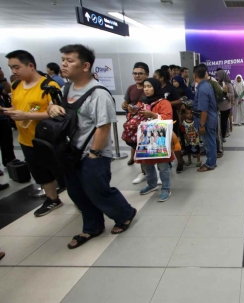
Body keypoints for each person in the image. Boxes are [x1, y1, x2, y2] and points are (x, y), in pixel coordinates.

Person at [47, 44, 136, 249]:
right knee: (77, 192)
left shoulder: (98, 94)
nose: (64, 64)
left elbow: (103, 127)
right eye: (63, 60)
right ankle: (92, 226)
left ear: (85, 65)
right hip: (70, 152)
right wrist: (52, 107)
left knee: (97, 190)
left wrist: (95, 154)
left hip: (93, 152)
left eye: (70, 61)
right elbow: (57, 112)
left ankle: (125, 214)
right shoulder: (65, 89)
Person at [4, 50, 64, 217]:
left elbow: (59, 113)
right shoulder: (16, 86)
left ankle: (81, 200)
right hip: (26, 139)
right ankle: (52, 199)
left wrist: (27, 116)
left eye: (17, 67)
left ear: (30, 65)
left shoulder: (49, 86)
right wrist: (8, 111)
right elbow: (18, 107)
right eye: (11, 68)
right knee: (39, 172)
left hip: (48, 139)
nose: (14, 72)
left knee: (62, 172)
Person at [133, 78, 173, 202]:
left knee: (162, 165)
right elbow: (136, 118)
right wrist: (133, 112)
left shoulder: (164, 102)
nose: (146, 89)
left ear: (155, 87)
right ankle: (152, 184)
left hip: (159, 136)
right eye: (145, 87)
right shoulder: (142, 103)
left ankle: (166, 188)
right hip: (145, 137)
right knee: (146, 163)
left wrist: (153, 115)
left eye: (149, 86)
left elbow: (168, 118)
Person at [122, 62, 149, 170]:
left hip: (147, 123)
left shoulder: (150, 87)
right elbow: (125, 103)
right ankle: (143, 171)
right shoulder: (131, 88)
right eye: (135, 73)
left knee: (146, 148)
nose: (137, 76)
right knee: (135, 144)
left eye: (140, 73)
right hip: (133, 123)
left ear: (147, 74)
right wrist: (125, 106)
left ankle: (148, 172)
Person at [193, 64, 218, 172]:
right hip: (209, 118)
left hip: (207, 120)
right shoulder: (205, 85)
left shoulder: (202, 88)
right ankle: (211, 161)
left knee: (208, 142)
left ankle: (210, 164)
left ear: (194, 75)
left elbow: (204, 110)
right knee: (210, 140)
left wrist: (202, 125)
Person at [0, 68, 16, 168]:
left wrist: (3, 79)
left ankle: (10, 160)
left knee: (7, 140)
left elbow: (8, 91)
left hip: (2, 116)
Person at [216, 70, 233, 141]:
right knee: (218, 123)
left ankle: (223, 136)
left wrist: (225, 93)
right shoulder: (216, 84)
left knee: (224, 122)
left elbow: (232, 95)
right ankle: (218, 136)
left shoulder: (228, 84)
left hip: (226, 107)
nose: (217, 77)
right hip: (218, 106)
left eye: (218, 75)